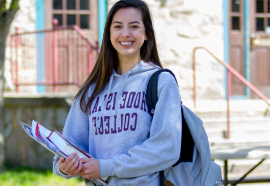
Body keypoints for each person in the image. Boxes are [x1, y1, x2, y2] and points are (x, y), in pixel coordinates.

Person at [53, 0, 181, 185]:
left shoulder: (161, 82)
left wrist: (107, 167)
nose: (125, 33)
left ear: (146, 34)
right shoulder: (91, 90)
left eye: (134, 26)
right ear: (109, 34)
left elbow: (167, 147)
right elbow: (68, 146)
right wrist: (64, 167)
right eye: (118, 26)